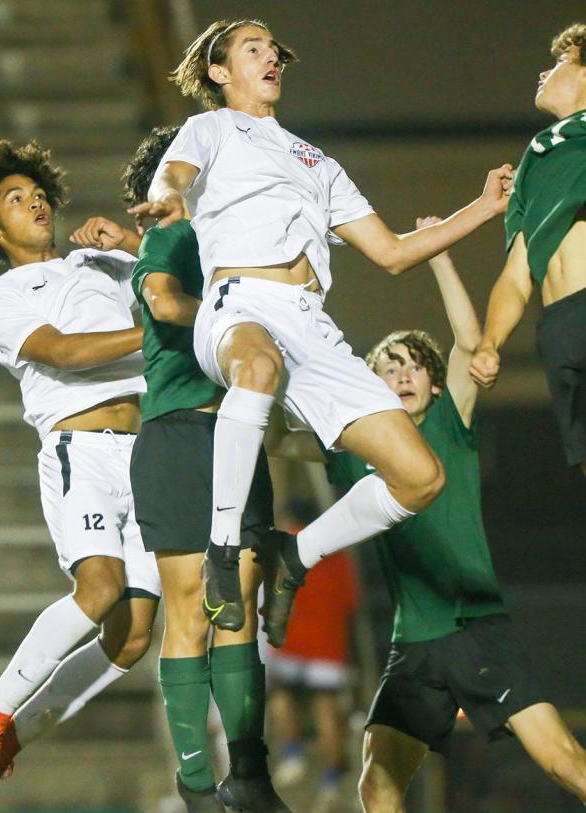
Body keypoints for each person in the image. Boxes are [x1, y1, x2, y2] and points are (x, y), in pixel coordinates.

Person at [130, 18, 513, 644]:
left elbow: (390, 252)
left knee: (422, 477)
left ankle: (295, 558)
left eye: (273, 48)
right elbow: (173, 177)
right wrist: (170, 199)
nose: (270, 55)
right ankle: (222, 552)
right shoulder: (210, 128)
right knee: (256, 370)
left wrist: (483, 208)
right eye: (252, 48)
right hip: (238, 303)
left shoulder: (318, 161)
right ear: (221, 73)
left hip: (310, 323)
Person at [313, 224, 586, 812]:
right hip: (412, 647)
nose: (403, 375)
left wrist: (435, 254)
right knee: (377, 786)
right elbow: (282, 435)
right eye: (389, 368)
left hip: (476, 630)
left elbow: (468, 341)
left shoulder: (448, 427)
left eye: (414, 367)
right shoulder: (359, 450)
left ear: (436, 386)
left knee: (565, 762)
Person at [0, 140, 161, 813]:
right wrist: (149, 332)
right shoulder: (0, 297)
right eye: (13, 198)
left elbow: (182, 277)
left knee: (134, 635)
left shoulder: (101, 261)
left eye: (36, 191)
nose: (34, 201)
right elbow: (63, 353)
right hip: (78, 450)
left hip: (141, 448)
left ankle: (9, 734)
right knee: (98, 588)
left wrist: (135, 237)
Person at [105, 125, 287, 813]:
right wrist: (232, 315)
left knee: (237, 606)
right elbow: (162, 302)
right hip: (181, 433)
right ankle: (192, 777)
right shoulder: (172, 235)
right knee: (190, 607)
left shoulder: (236, 241)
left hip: (236, 434)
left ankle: (247, 768)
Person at [470, 22, 586, 475]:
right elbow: (518, 273)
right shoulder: (537, 159)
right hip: (558, 327)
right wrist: (490, 343)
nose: (542, 74)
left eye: (557, 63)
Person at [262, 502, 359, 813]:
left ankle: (292, 755)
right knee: (327, 707)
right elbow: (351, 601)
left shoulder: (289, 549)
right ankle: (331, 778)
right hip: (330, 646)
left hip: (293, 642)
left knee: (281, 697)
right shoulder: (338, 554)